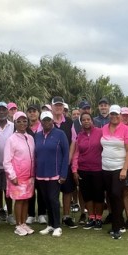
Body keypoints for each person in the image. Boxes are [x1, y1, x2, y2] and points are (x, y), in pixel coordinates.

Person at [101, 105, 128, 239]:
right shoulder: (104, 128)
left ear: (120, 115)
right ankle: (118, 223)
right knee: (110, 196)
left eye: (116, 114)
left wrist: (125, 168)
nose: (114, 116)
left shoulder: (126, 129)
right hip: (105, 167)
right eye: (112, 114)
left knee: (116, 194)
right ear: (109, 115)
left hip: (119, 168)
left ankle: (117, 228)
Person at [35, 110, 69, 237]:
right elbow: (36, 155)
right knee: (45, 200)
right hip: (41, 174)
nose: (46, 122)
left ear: (52, 121)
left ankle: (57, 226)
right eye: (44, 120)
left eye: (48, 120)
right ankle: (50, 225)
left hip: (55, 173)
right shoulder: (37, 135)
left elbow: (66, 154)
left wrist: (63, 174)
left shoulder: (60, 134)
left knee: (53, 199)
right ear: (41, 122)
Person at [3, 111, 35, 237]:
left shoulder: (30, 138)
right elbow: (7, 161)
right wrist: (12, 176)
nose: (22, 123)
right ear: (15, 123)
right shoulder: (11, 139)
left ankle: (23, 223)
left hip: (29, 175)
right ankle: (18, 224)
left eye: (24, 121)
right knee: (19, 201)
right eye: (19, 121)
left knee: (27, 199)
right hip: (17, 176)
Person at [71, 111, 104, 229]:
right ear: (81, 122)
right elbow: (76, 154)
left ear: (92, 121)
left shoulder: (100, 132)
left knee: (98, 195)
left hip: (98, 169)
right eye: (83, 120)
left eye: (88, 119)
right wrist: (74, 170)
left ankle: (99, 218)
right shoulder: (79, 136)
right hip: (83, 169)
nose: (86, 121)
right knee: (87, 195)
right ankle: (91, 217)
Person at [50, 96, 77, 228]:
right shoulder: (47, 121)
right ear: (52, 107)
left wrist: (69, 158)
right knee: (53, 191)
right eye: (56, 105)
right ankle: (53, 217)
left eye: (61, 105)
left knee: (67, 190)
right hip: (52, 163)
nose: (59, 108)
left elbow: (73, 141)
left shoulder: (69, 122)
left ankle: (66, 216)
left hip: (66, 162)